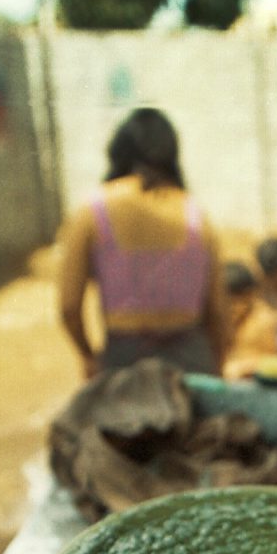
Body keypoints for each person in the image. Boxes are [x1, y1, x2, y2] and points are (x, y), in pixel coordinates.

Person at [59, 108, 227, 378]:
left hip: (124, 365)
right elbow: (218, 312)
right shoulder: (196, 215)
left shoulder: (92, 210)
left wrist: (88, 356)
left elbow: (68, 307)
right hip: (192, 365)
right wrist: (216, 367)